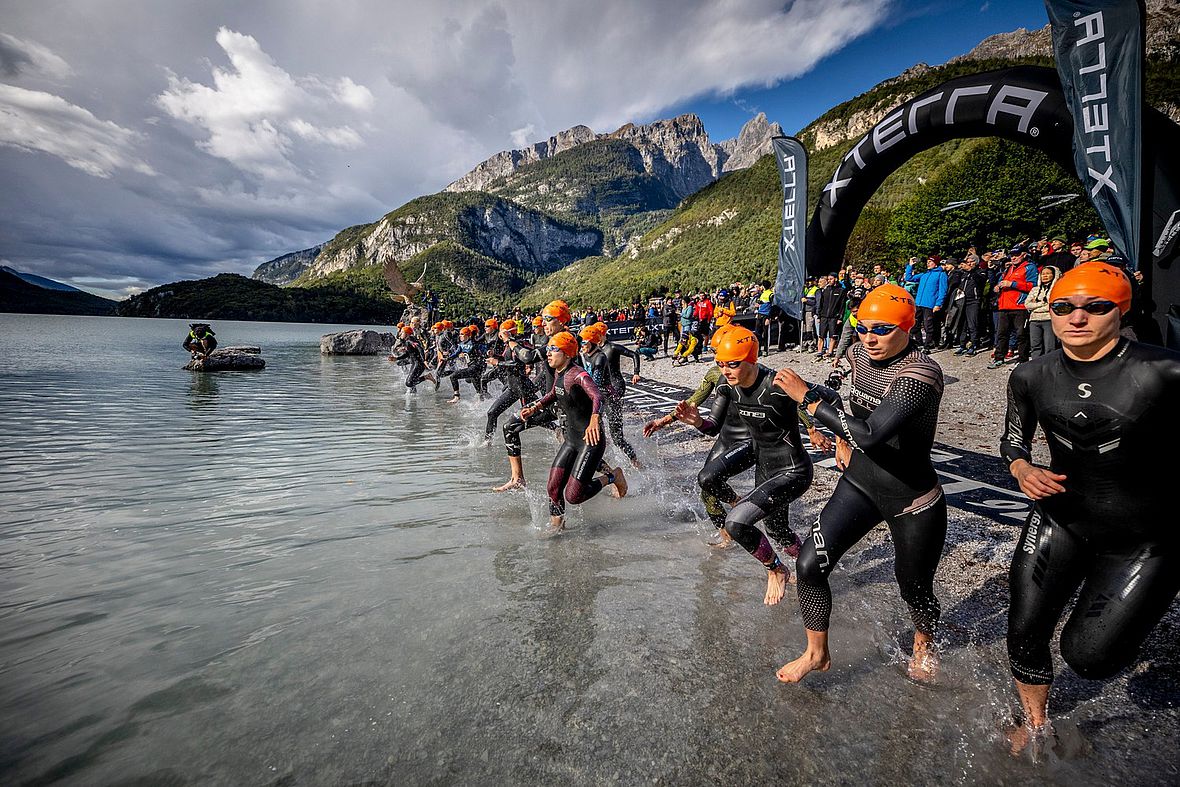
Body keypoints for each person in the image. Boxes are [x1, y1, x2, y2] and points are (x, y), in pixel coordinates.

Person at [999, 262, 1180, 754]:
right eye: (1063, 307)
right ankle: (1037, 723)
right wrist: (1021, 470)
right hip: (1061, 517)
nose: (1076, 318)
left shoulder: (1162, 371)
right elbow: (1013, 442)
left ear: (1120, 312)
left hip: (1143, 536)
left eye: (1094, 307)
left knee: (1088, 658)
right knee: (1024, 627)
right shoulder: (1031, 374)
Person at [772, 283, 947, 685]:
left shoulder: (920, 373)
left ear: (908, 326)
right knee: (809, 565)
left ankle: (924, 638)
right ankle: (816, 653)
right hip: (861, 483)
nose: (869, 337)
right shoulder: (857, 353)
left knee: (914, 588)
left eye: (882, 329)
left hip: (911, 497)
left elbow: (869, 434)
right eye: (862, 326)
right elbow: (846, 395)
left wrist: (808, 401)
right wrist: (836, 434)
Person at [673, 326, 818, 606]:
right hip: (764, 466)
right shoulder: (728, 386)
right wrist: (696, 421)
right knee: (776, 529)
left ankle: (777, 570)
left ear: (751, 359)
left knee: (736, 522)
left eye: (733, 364)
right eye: (720, 364)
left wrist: (837, 438)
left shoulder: (777, 383)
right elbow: (713, 425)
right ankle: (806, 564)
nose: (725, 371)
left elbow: (826, 400)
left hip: (793, 470)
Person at [520, 331, 626, 536]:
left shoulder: (579, 375)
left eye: (553, 349)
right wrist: (535, 407)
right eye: (548, 348)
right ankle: (557, 526)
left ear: (567, 353)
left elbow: (598, 396)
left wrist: (595, 418)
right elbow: (554, 393)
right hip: (571, 439)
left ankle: (613, 476)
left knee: (574, 496)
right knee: (553, 487)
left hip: (590, 441)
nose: (548, 353)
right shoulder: (560, 373)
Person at [494, 301, 573, 492]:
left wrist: (509, 341)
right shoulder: (551, 340)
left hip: (567, 405)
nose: (544, 324)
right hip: (550, 401)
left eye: (548, 319)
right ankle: (517, 478)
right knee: (510, 427)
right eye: (542, 320)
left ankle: (611, 475)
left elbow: (528, 357)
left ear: (561, 321)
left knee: (576, 449)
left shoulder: (563, 340)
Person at [579, 323, 640, 468]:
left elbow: (596, 382)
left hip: (612, 395)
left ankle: (635, 461)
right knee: (595, 436)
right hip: (600, 397)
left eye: (584, 342)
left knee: (617, 438)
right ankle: (606, 465)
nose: (581, 345)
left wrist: (636, 372)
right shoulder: (587, 354)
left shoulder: (605, 353)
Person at [988, 248, 1037, 369]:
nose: (1013, 258)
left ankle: (1022, 359)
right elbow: (1002, 281)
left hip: (1019, 306)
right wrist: (998, 286)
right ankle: (999, 358)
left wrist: (1013, 284)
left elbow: (1034, 286)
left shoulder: (1030, 267)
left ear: (1024, 255)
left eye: (1016, 255)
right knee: (1001, 334)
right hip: (1004, 305)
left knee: (1021, 334)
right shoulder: (1008, 268)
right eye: (1012, 255)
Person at [904, 255, 949, 350]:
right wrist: (910, 265)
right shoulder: (924, 274)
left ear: (936, 263)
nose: (928, 263)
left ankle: (927, 346)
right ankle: (919, 343)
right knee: (914, 325)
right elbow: (909, 278)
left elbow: (943, 291)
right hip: (919, 303)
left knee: (928, 326)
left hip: (930, 304)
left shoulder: (941, 274)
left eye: (930, 262)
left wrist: (938, 304)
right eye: (927, 262)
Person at [1024, 265, 1061, 357]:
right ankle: (1036, 366)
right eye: (1043, 274)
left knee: (1050, 346)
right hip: (1034, 320)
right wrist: (1042, 304)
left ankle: (1049, 367)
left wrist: (1035, 306)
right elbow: (1027, 304)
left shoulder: (1057, 290)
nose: (1044, 276)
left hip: (1049, 320)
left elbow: (1053, 305)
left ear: (1054, 275)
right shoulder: (1035, 289)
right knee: (1035, 346)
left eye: (1048, 273)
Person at [446, 325, 487, 403]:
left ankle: (457, 396)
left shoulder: (475, 343)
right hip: (472, 368)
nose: (460, 336)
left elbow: (484, 350)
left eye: (462, 334)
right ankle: (487, 401)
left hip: (476, 367)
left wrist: (487, 353)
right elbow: (455, 353)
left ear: (467, 335)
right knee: (479, 392)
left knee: (453, 376)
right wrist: (447, 359)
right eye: (460, 334)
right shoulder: (461, 344)